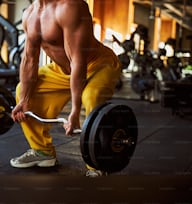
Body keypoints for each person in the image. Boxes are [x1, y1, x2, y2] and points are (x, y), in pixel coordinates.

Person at [10, 0, 121, 177]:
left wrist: (75, 111)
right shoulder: (29, 14)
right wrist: (24, 100)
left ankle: (98, 163)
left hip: (98, 63)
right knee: (22, 90)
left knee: (91, 96)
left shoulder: (70, 7)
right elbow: (29, 59)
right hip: (62, 70)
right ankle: (42, 151)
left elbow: (78, 59)